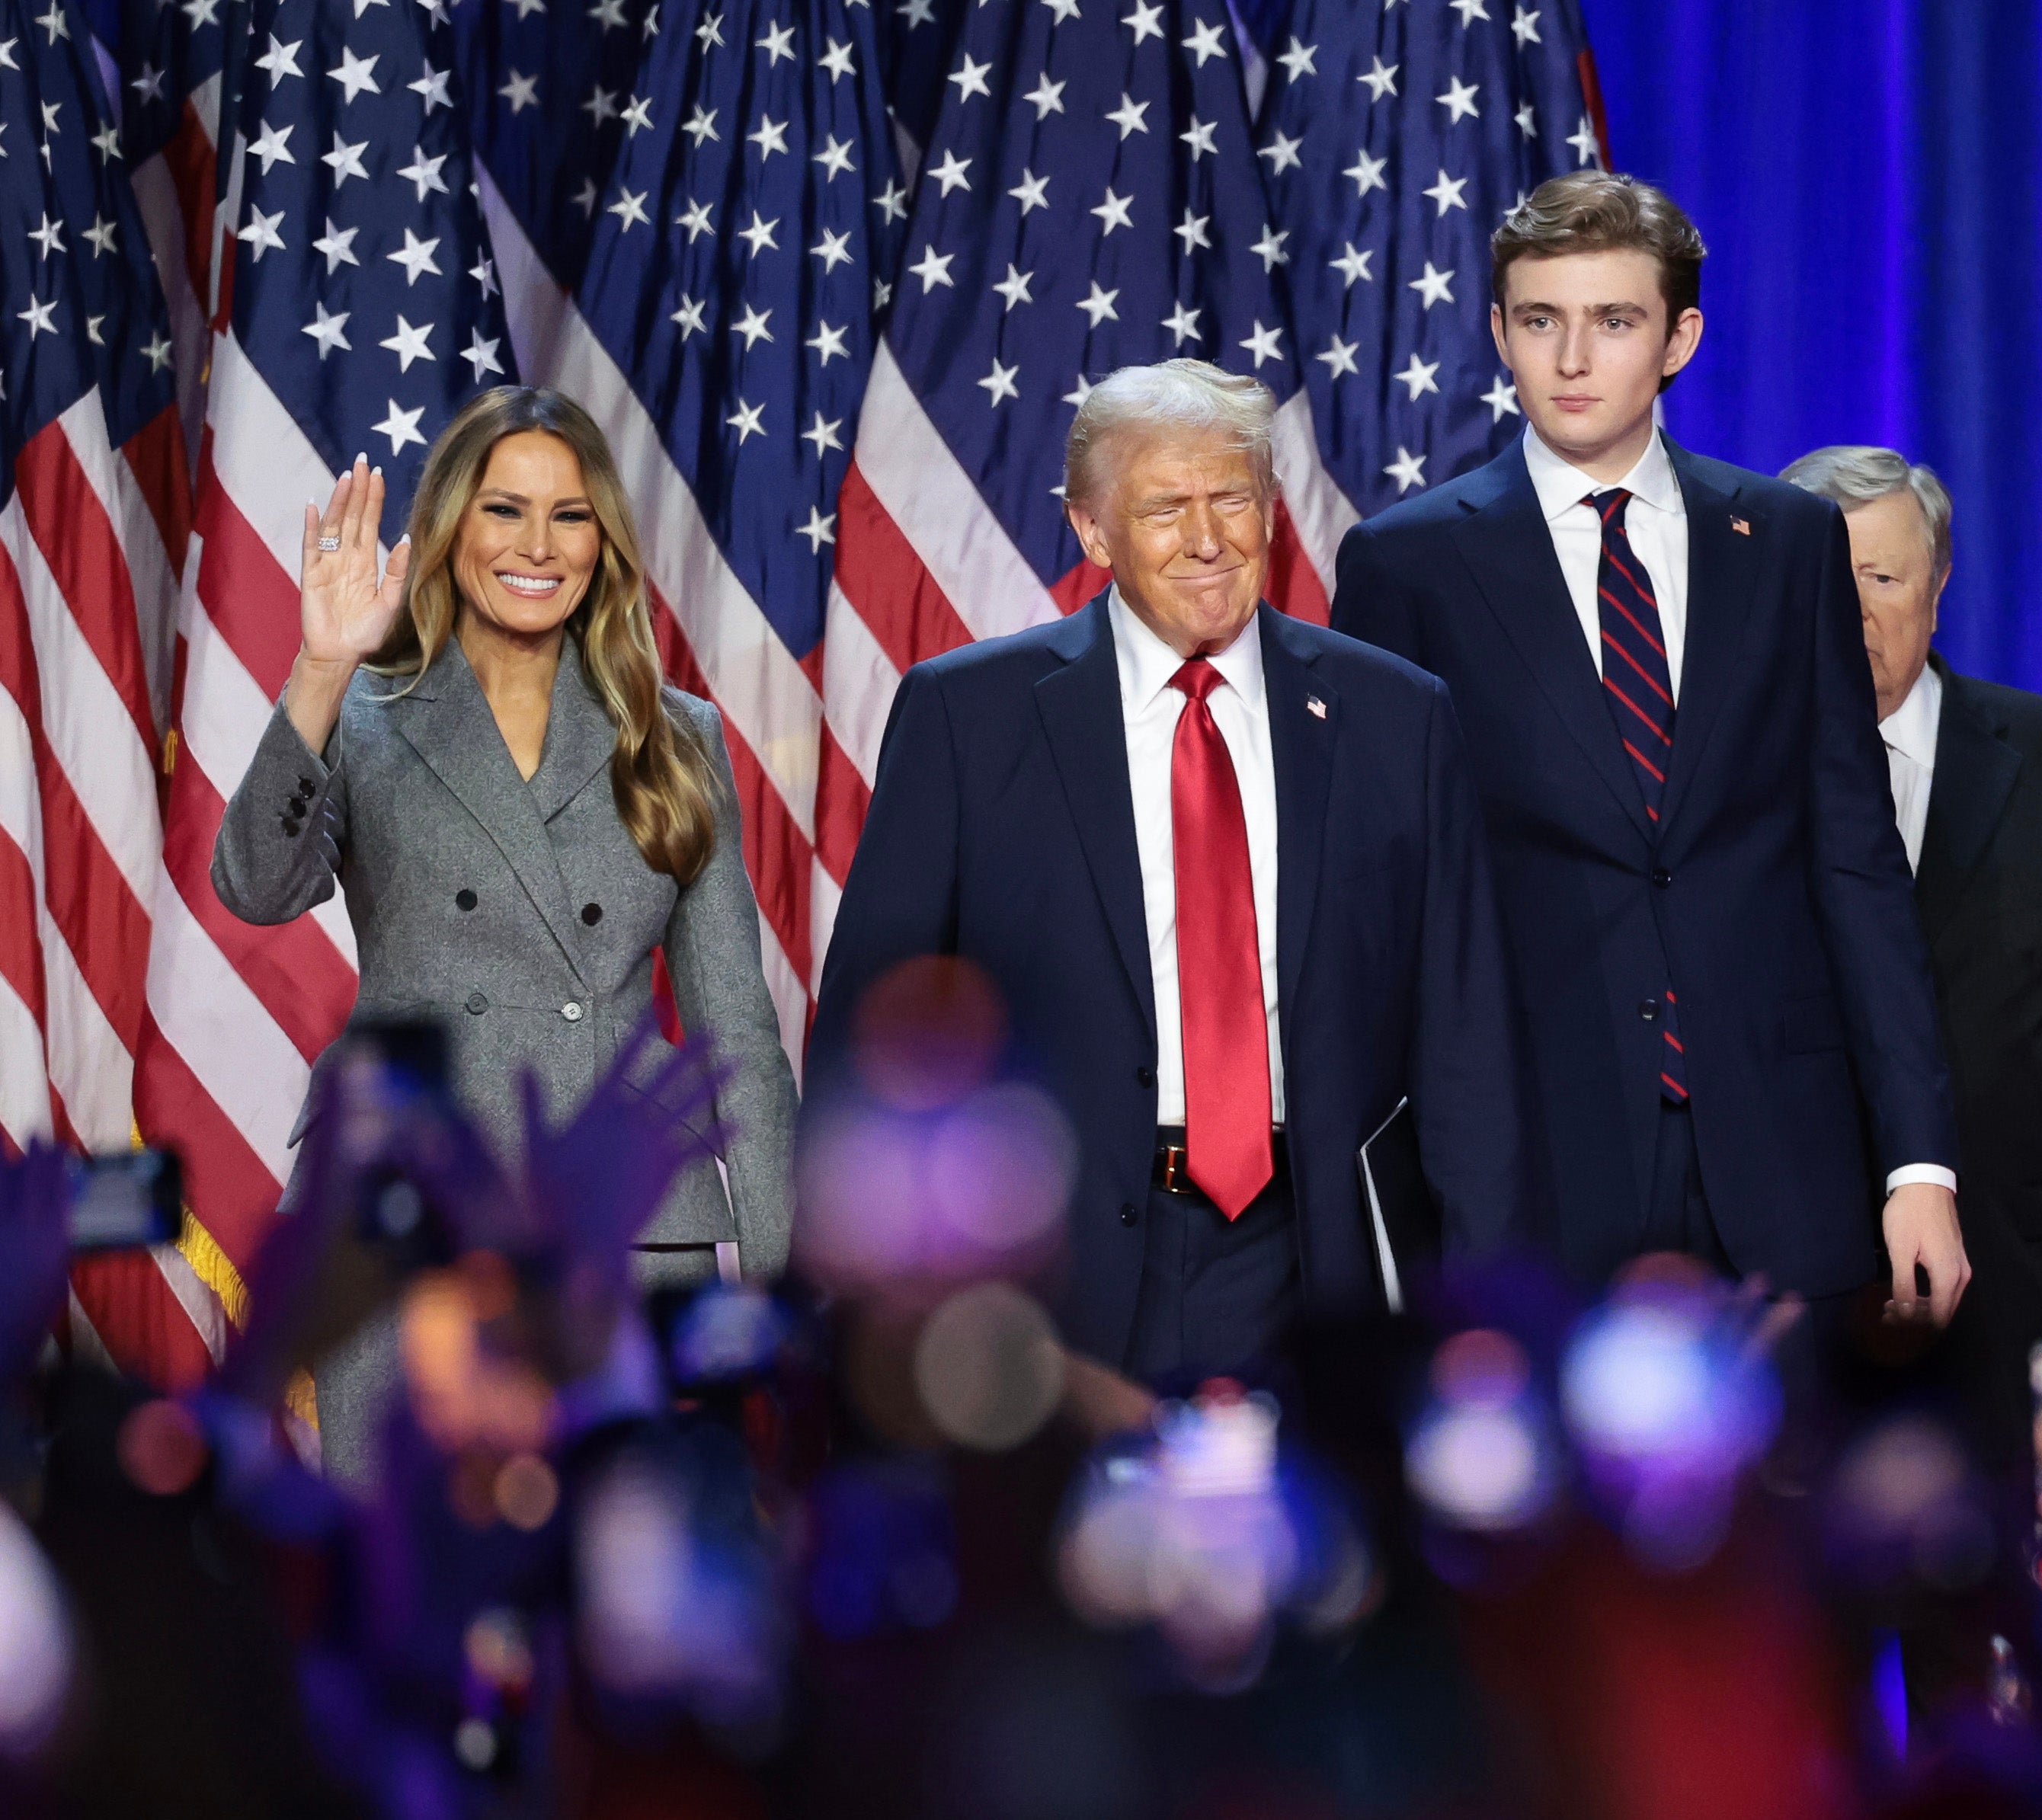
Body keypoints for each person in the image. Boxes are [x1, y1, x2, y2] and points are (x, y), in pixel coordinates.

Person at [811, 360, 1534, 1383]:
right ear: (1093, 529)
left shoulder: (1396, 717)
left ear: (1272, 510)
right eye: (1164, 508)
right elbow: (873, 1031)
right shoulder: (971, 719)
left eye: (1231, 497)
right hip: (1049, 1272)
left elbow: (1467, 1043)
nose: (1207, 537)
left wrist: (1487, 1313)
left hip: (1313, 1262)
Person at [1330, 172, 1969, 1329]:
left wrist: (1918, 1165)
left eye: (1614, 321)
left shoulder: (1785, 543)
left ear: (1679, 339)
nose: (1573, 357)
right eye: (1541, 320)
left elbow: (1855, 866)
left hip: (1780, 1165)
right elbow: (1380, 908)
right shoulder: (1404, 566)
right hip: (1534, 1177)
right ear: (1498, 333)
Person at [210, 385, 796, 1479]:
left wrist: (777, 1276)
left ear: (602, 540)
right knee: (408, 1604)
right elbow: (253, 885)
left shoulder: (678, 737)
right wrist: (324, 667)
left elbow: (738, 1036)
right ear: (450, 528)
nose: (538, 545)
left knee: (627, 1606)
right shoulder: (365, 713)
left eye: (569, 515)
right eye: (504, 509)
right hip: (408, 1215)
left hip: (625, 1218)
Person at [1780, 443, 2042, 1448]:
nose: (1857, 610)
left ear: (1939, 585)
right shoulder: (1713, 785)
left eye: (1883, 578)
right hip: (1797, 1328)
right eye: (1828, 582)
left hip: (2023, 1316)